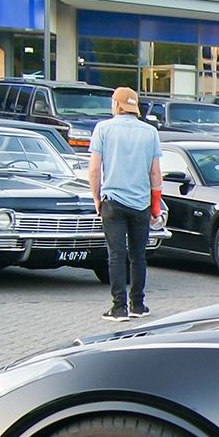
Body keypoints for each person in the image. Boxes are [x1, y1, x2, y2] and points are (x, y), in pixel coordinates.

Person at [89, 86, 162, 321]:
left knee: (116, 254)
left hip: (113, 200)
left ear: (117, 105)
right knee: (138, 255)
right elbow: (155, 174)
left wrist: (96, 198)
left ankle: (118, 307)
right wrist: (155, 206)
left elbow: (94, 169)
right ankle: (138, 304)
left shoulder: (103, 129)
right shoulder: (150, 132)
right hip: (140, 203)